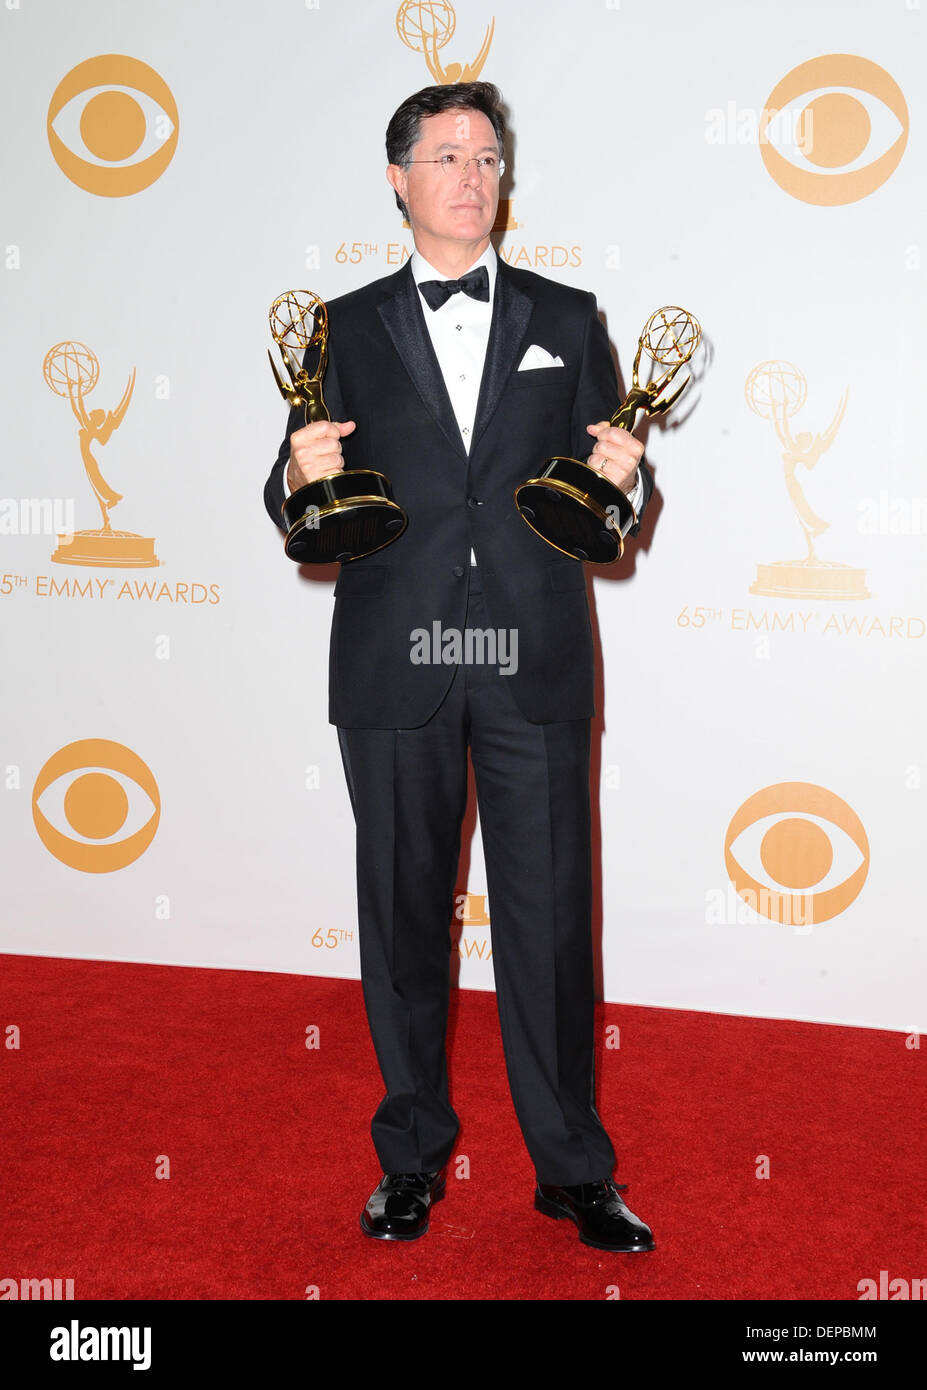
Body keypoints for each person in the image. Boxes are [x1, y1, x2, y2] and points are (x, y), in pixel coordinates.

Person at [265, 82, 655, 1254]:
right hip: (398, 660)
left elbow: (611, 496)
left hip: (532, 659)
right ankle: (411, 1159)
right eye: (445, 155)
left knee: (548, 925)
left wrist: (629, 479)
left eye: (488, 155)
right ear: (398, 179)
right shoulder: (336, 328)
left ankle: (574, 1170)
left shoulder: (569, 314)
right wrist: (295, 475)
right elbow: (290, 500)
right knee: (401, 919)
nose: (471, 175)